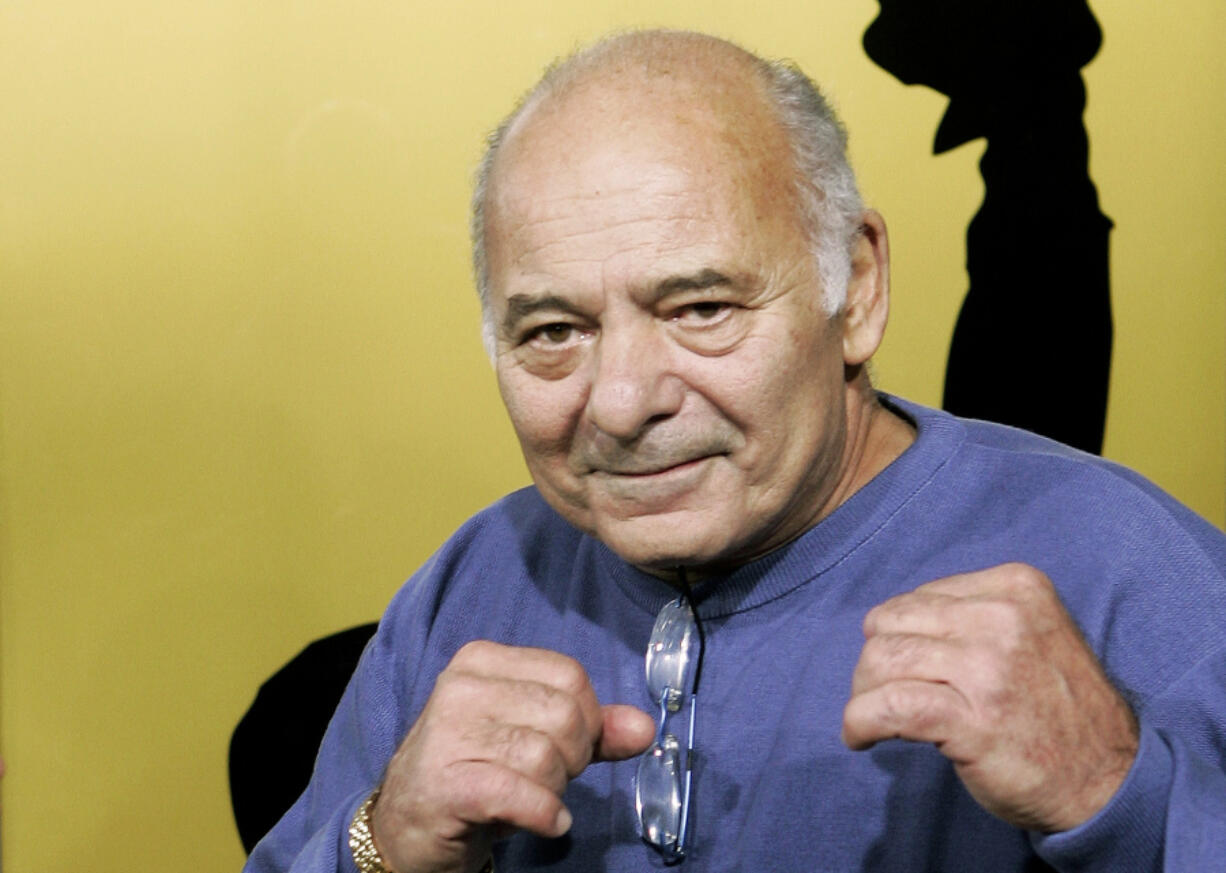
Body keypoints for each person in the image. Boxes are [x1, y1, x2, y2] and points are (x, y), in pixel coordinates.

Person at [244, 29, 1226, 873]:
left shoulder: (1123, 570)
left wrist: (1115, 792)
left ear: (855, 287)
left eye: (700, 309)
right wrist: (382, 840)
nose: (621, 403)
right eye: (552, 332)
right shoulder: (468, 586)